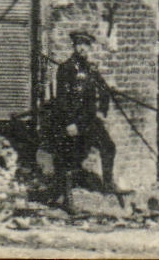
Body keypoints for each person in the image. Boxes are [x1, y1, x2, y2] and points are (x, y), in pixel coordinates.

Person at [53, 30, 117, 202]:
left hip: (89, 120)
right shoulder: (66, 68)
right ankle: (66, 197)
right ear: (74, 47)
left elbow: (104, 91)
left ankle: (108, 186)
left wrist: (102, 111)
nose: (83, 49)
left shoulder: (91, 69)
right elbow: (62, 99)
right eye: (79, 45)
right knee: (69, 156)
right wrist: (69, 122)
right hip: (73, 121)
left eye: (86, 45)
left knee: (109, 147)